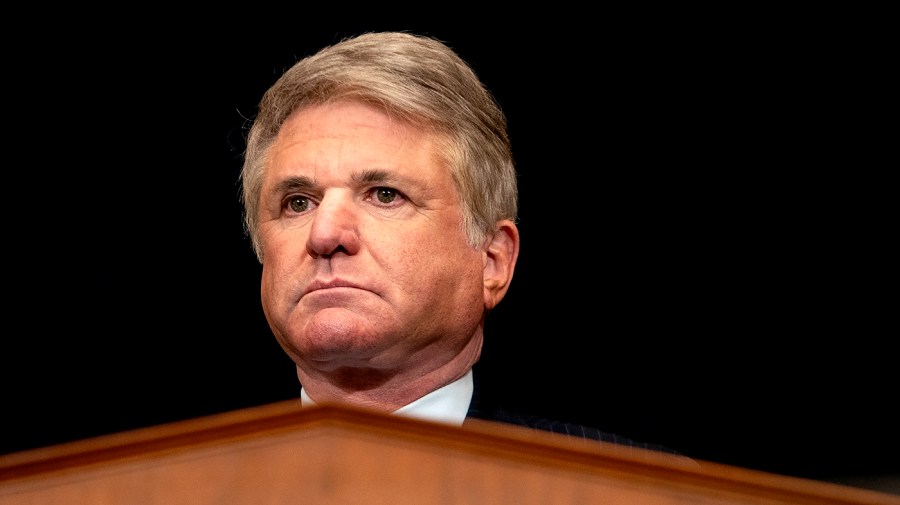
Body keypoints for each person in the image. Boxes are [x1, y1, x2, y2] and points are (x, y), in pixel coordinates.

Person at [239, 31, 676, 454]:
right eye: (298, 203)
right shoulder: (179, 483)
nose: (324, 234)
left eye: (385, 195)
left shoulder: (639, 490)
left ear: (492, 262)